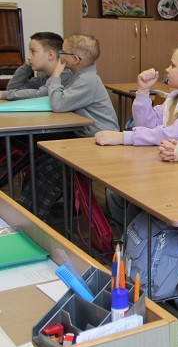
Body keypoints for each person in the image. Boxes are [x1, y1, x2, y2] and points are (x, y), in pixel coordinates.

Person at [18, 34, 119, 219]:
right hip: (87, 138)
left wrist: (56, 75)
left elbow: (58, 104)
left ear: (75, 59)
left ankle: (29, 220)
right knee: (42, 157)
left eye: (62, 52)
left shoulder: (88, 80)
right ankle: (26, 214)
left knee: (49, 170)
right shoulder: (79, 76)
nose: (59, 56)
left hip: (100, 143)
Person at [94, 45, 178, 146]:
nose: (167, 69)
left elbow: (172, 134)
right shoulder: (175, 96)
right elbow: (145, 126)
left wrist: (125, 137)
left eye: (173, 65)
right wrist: (143, 91)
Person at [2, 32, 72, 100]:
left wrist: (4, 94)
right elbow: (12, 88)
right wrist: (27, 65)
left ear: (50, 55)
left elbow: (40, 94)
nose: (28, 57)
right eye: (29, 52)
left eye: (33, 52)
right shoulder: (44, 78)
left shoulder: (65, 74)